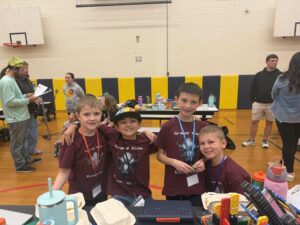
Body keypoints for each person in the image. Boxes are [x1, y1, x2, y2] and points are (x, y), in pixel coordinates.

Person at [63, 106, 157, 206]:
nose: (128, 125)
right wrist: (74, 125)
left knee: (150, 218)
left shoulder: (147, 140)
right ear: (116, 127)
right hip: (119, 194)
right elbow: (94, 124)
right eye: (123, 122)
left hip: (143, 194)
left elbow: (164, 148)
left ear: (139, 125)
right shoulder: (113, 136)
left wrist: (148, 132)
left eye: (132, 121)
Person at [155, 82, 208, 206]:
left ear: (200, 103)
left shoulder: (204, 127)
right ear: (176, 100)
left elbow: (209, 153)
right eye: (184, 100)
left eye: (193, 102)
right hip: (174, 185)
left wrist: (204, 161)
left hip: (197, 185)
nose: (188, 106)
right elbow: (159, 155)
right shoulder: (167, 126)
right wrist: (173, 162)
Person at [53, 95, 108, 206]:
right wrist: (52, 196)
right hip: (78, 195)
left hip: (102, 191)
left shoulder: (105, 133)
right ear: (78, 116)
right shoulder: (70, 139)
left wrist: (146, 133)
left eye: (96, 114)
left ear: (101, 114)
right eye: (86, 114)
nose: (92, 118)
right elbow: (64, 172)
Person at [0, 57, 41, 173]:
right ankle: (20, 165)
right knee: (17, 143)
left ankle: (26, 160)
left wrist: (25, 96)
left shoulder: (11, 79)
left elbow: (14, 98)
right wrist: (29, 100)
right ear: (14, 69)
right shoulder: (7, 81)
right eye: (21, 70)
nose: (24, 72)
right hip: (16, 117)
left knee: (22, 141)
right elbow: (10, 102)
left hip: (21, 115)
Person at [271, 51, 300, 182]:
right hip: (298, 118)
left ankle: (289, 172)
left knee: (289, 144)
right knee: (293, 144)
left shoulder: (282, 79)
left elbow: (273, 94)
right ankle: (284, 161)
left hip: (284, 117)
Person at [242, 54, 281, 148]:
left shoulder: (280, 75)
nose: (275, 62)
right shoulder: (259, 75)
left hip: (272, 104)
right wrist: (253, 101)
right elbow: (253, 88)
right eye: (272, 61)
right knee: (254, 121)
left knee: (269, 122)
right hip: (258, 103)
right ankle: (251, 140)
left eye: (276, 61)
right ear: (267, 62)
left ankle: (264, 140)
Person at [199, 125, 251, 194]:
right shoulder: (205, 165)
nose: (206, 146)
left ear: (223, 143)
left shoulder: (234, 173)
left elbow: (243, 201)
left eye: (211, 142)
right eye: (202, 143)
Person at [15, 61, 43, 155]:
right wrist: (27, 96)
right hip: (22, 111)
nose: (26, 70)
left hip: (32, 109)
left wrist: (37, 98)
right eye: (24, 68)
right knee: (24, 133)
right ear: (18, 69)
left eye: (27, 68)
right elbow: (16, 96)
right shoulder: (14, 81)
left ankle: (32, 149)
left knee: (33, 131)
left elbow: (34, 92)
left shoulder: (28, 80)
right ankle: (25, 152)